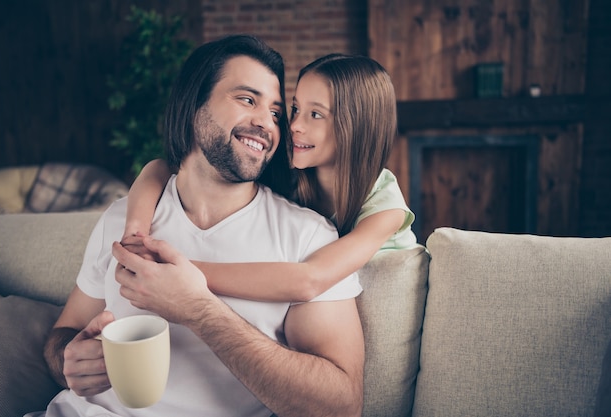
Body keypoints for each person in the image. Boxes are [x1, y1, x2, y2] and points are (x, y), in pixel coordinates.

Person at [30, 35, 364, 417]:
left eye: (275, 112)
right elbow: (65, 332)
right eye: (247, 99)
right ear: (193, 105)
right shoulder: (125, 218)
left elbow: (342, 405)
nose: (266, 124)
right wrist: (69, 361)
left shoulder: (308, 237)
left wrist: (199, 311)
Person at [122, 53, 417, 303]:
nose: (294, 125)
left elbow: (310, 280)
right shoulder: (293, 182)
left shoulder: (384, 204)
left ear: (358, 127)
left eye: (316, 115)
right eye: (294, 109)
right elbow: (161, 168)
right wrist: (136, 232)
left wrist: (181, 273)